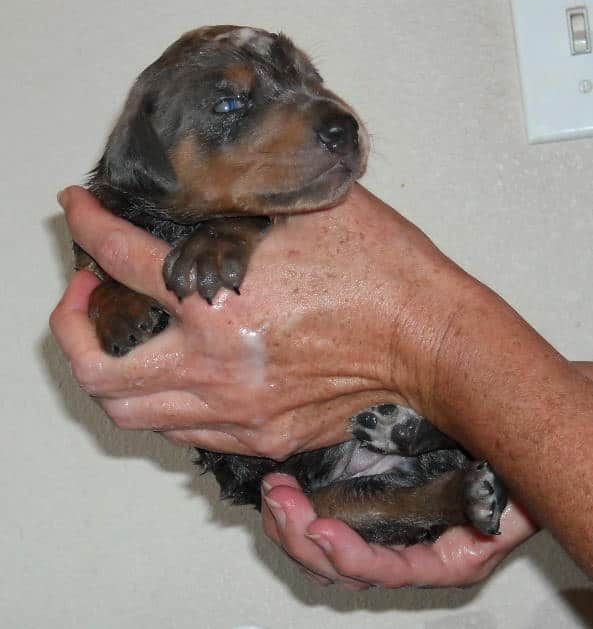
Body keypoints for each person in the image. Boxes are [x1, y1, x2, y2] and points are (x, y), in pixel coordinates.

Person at [50, 184, 593, 589]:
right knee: (329, 513)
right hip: (330, 471)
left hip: (407, 429)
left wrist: (425, 341)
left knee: (333, 507)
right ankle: (445, 491)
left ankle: (433, 460)